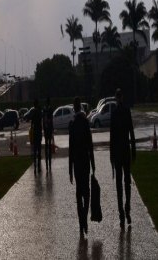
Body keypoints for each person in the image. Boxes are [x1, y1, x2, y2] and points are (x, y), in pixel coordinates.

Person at [109, 88, 136, 229]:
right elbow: (131, 131)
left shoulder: (114, 113)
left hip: (118, 152)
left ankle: (121, 213)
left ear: (115, 98)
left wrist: (111, 155)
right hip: (125, 151)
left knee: (120, 184)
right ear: (122, 97)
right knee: (127, 183)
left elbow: (112, 136)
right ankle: (127, 209)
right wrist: (134, 149)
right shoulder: (126, 111)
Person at [69, 96, 95, 237]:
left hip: (77, 163)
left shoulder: (72, 124)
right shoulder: (85, 122)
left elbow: (71, 148)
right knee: (87, 192)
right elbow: (90, 144)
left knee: (79, 193)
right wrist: (93, 162)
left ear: (74, 108)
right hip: (85, 161)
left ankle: (81, 223)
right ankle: (85, 217)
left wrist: (69, 170)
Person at [30, 99, 43, 175]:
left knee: (35, 150)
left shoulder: (33, 112)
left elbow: (32, 124)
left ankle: (35, 166)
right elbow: (41, 121)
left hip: (35, 132)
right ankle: (39, 167)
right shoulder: (39, 112)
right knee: (39, 149)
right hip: (38, 131)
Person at [43, 97, 54, 173]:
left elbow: (43, 120)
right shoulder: (50, 110)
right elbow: (52, 120)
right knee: (49, 145)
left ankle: (47, 163)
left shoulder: (44, 110)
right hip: (49, 129)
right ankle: (49, 163)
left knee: (46, 145)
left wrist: (44, 128)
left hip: (46, 129)